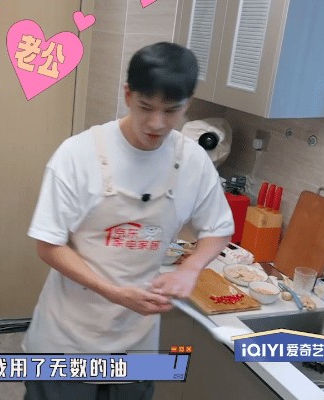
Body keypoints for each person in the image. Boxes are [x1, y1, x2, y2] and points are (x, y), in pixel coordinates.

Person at [23, 42, 235, 400]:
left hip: (137, 346)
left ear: (188, 105)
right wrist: (114, 293)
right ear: (127, 95)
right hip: (67, 340)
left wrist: (191, 268)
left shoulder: (193, 161)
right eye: (146, 107)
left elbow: (218, 229)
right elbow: (48, 244)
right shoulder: (77, 155)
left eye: (171, 111)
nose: (156, 123)